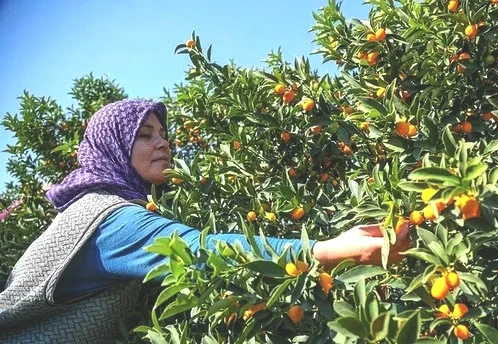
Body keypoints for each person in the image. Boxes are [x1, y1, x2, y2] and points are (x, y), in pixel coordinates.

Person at [0, 99, 411, 343]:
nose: (162, 142)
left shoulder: (95, 208)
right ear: (113, 147)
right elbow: (202, 251)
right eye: (144, 135)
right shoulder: (109, 219)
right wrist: (324, 249)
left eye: (163, 132)